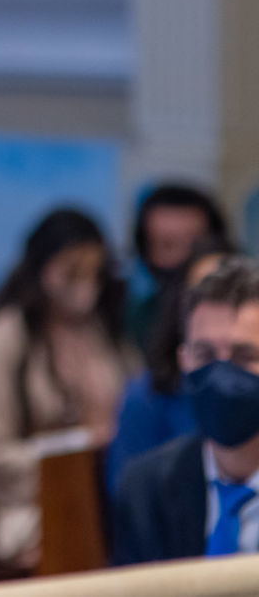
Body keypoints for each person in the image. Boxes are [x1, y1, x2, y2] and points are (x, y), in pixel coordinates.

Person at [0, 207, 133, 570]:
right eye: (72, 272)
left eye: (94, 272)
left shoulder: (102, 330)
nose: (85, 284)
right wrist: (77, 453)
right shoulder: (7, 335)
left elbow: (134, 400)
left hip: (107, 491)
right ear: (41, 268)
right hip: (34, 507)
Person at [113, 256, 259, 564]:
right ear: (184, 361)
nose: (221, 375)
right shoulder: (145, 491)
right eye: (205, 354)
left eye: (243, 356)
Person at [109, 238, 238, 494]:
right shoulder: (144, 399)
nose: (217, 309)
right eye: (205, 294)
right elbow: (127, 499)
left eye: (233, 294)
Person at [127, 183, 232, 353]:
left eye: (196, 244)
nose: (185, 257)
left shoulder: (249, 313)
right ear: (146, 253)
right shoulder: (136, 322)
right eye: (168, 245)